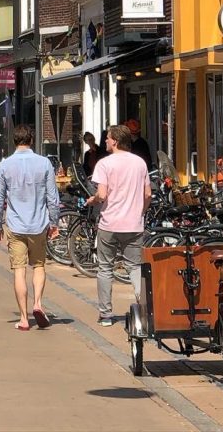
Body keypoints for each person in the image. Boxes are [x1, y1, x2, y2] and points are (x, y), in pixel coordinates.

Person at [0, 123, 60, 331]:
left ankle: (23, 318)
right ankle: (37, 303)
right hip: (38, 224)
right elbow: (53, 198)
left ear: (14, 141)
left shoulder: (4, 166)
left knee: (19, 270)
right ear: (32, 140)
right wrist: (54, 222)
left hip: (15, 225)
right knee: (38, 266)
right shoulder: (44, 163)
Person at [87, 124, 150, 327]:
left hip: (109, 224)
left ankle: (106, 314)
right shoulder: (140, 163)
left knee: (105, 268)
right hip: (133, 225)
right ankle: (145, 311)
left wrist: (93, 200)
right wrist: (140, 212)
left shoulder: (104, 164)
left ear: (115, 141)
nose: (105, 140)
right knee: (135, 267)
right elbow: (148, 194)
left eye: (107, 137)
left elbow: (102, 194)